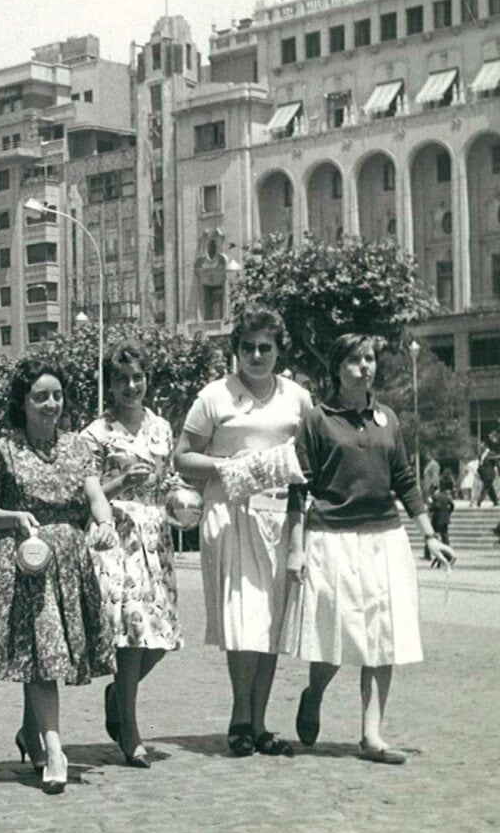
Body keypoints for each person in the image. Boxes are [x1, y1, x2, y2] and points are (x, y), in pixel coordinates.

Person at [282, 334, 456, 764]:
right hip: (331, 538)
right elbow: (298, 488)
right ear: (338, 367)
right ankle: (314, 692)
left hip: (384, 538)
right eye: (357, 359)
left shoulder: (388, 419)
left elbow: (405, 481)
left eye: (370, 359)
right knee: (338, 634)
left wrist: (430, 535)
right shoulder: (317, 420)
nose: (366, 366)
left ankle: (371, 735)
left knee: (382, 636)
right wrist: (296, 548)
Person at [174, 306, 313, 758]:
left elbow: (311, 456)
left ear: (278, 351)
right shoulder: (215, 396)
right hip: (230, 516)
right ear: (235, 350)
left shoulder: (297, 398)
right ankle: (240, 717)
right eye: (247, 347)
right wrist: (224, 465)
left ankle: (260, 721)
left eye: (264, 348)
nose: (256, 355)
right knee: (242, 621)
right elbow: (183, 457)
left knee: (270, 624)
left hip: (279, 518)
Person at [0, 360, 118, 794]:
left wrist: (104, 521)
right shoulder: (3, 449)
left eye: (56, 395)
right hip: (29, 562)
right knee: (46, 652)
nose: (50, 404)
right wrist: (13, 516)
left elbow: (95, 492)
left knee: (44, 656)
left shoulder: (79, 447)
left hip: (72, 560)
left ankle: (30, 732)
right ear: (23, 402)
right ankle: (56, 750)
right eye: (40, 396)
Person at [80, 341, 183, 768]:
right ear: (110, 384)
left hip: (156, 538)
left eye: (137, 377)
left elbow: (170, 477)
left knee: (159, 639)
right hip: (117, 537)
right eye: (121, 379)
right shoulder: (95, 434)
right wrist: (119, 480)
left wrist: (179, 496)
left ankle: (117, 697)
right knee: (130, 636)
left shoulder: (160, 428)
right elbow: (83, 493)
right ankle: (130, 730)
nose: (131, 386)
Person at [428, 476, 456, 547]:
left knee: (433, 535)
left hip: (437, 518)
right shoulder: (447, 496)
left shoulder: (436, 496)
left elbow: (433, 507)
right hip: (445, 518)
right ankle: (447, 550)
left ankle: (428, 553)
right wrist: (448, 512)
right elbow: (452, 505)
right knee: (445, 535)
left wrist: (430, 509)